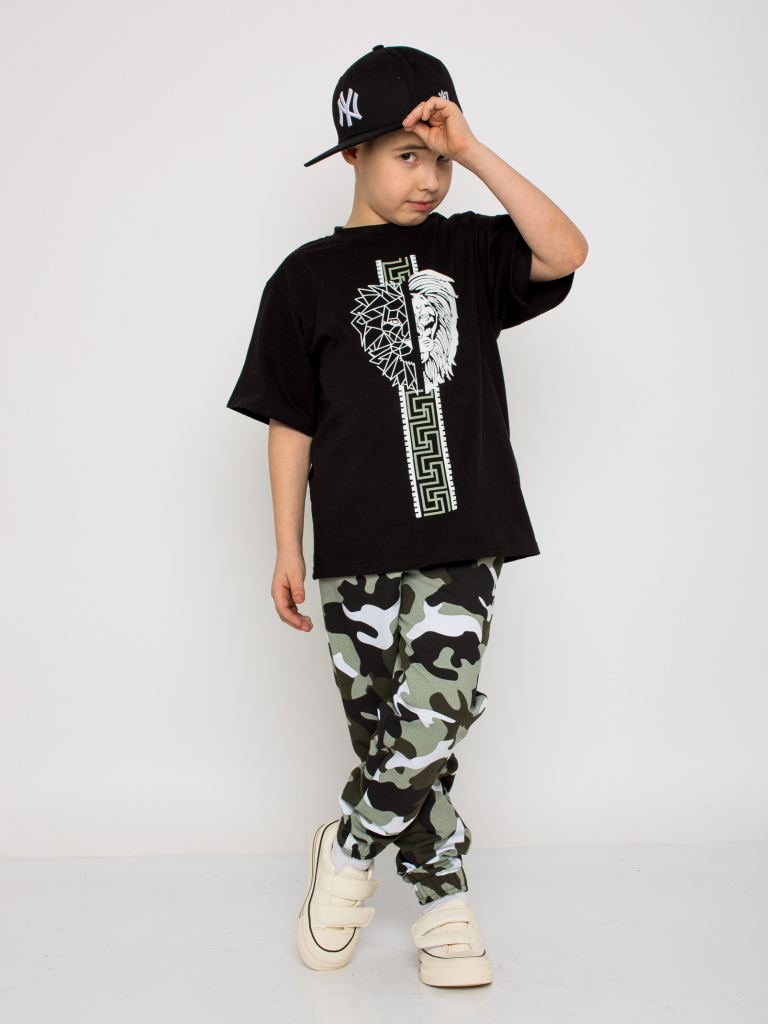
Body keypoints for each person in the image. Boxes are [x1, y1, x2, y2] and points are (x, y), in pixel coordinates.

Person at [226, 44, 587, 988]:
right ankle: (442, 899)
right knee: (388, 734)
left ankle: (348, 854)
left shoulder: (470, 251)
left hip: (465, 537)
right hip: (353, 545)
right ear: (353, 154)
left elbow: (565, 251)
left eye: (438, 157)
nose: (427, 177)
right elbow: (290, 421)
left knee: (436, 713)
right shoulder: (304, 278)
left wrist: (475, 150)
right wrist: (286, 545)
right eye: (406, 155)